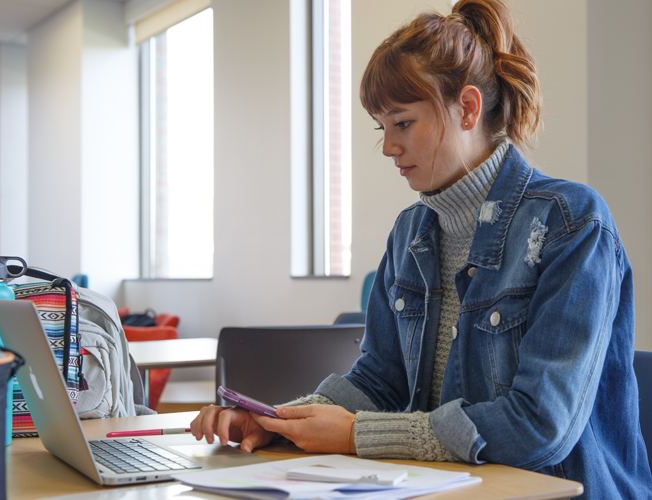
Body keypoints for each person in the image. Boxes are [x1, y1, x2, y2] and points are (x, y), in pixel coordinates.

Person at [190, 0, 652, 498]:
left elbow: (539, 426)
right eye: (381, 127)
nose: (388, 147)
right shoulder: (410, 233)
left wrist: (355, 435)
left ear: (468, 109)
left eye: (402, 123)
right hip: (447, 489)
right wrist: (278, 423)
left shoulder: (571, 223)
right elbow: (379, 379)